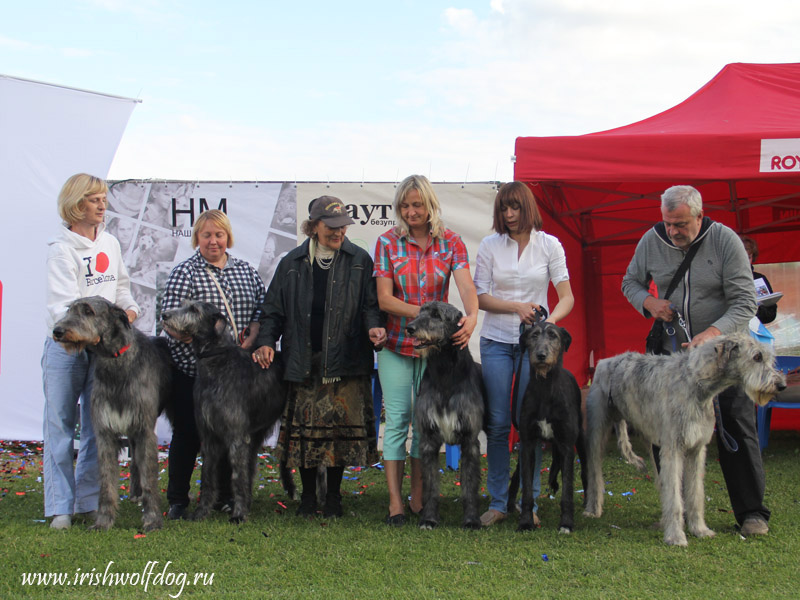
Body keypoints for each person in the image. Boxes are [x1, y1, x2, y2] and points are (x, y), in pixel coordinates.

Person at [621, 184, 769, 536]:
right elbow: (630, 282)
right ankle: (676, 512)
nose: (673, 232)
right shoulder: (651, 240)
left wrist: (714, 333)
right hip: (671, 358)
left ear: (699, 217)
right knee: (665, 431)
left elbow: (746, 301)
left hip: (725, 356)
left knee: (735, 424)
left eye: (681, 224)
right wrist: (649, 303)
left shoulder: (726, 241)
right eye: (668, 223)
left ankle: (751, 513)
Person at [252, 196, 385, 518]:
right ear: (313, 227)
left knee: (338, 436)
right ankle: (309, 499)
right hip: (303, 359)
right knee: (306, 438)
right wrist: (267, 341)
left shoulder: (360, 260)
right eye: (331, 227)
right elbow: (273, 311)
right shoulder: (291, 263)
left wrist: (374, 328)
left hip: (346, 359)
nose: (339, 233)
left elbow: (371, 306)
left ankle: (335, 497)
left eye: (343, 226)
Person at [373, 174, 479, 526]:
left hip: (436, 351)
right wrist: (425, 317)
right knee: (398, 421)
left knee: (426, 429)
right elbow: (385, 299)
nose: (411, 211)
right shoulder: (387, 242)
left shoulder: (452, 243)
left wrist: (473, 314)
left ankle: (422, 501)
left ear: (431, 204)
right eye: (404, 205)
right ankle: (395, 504)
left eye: (417, 204)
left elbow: (465, 286)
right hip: (398, 344)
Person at [473, 181, 574, 527]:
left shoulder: (551, 245)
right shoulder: (490, 245)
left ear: (528, 207)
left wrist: (546, 328)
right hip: (497, 341)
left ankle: (528, 503)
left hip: (536, 348)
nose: (509, 214)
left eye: (515, 207)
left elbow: (566, 297)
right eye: (504, 208)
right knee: (499, 425)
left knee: (530, 425)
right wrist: (516, 307)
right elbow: (480, 298)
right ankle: (500, 501)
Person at [42, 173, 139, 530]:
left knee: (100, 426)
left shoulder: (110, 243)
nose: (103, 205)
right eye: (95, 199)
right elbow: (61, 309)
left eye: (103, 199)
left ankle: (87, 501)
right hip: (67, 349)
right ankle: (61, 507)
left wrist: (127, 313)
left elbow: (122, 289)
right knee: (60, 424)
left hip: (103, 351)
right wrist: (93, 332)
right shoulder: (60, 248)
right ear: (76, 203)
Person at [161, 209, 266, 520]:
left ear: (228, 238)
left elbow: (263, 309)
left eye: (219, 235)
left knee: (229, 434)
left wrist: (256, 333)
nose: (213, 241)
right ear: (197, 238)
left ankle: (223, 496)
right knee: (189, 433)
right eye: (206, 235)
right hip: (194, 372)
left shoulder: (246, 271)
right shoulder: (185, 273)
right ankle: (178, 499)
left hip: (236, 374)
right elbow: (169, 319)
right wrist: (196, 341)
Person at [740, 235, 778, 325]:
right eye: (741, 257)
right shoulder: (722, 278)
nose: (745, 261)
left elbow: (770, 314)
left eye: (748, 257)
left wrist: (755, 308)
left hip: (753, 332)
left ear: (753, 257)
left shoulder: (759, 279)